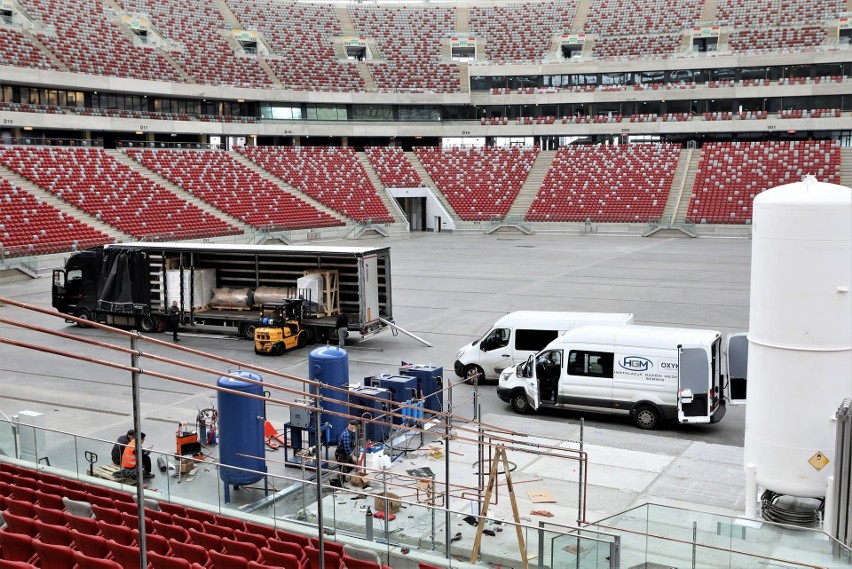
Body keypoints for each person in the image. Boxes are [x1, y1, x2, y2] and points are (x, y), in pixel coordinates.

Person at [334, 419, 359, 485]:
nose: (356, 429)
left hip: (345, 454)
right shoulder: (346, 435)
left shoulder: (350, 432)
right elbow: (347, 448)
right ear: (353, 427)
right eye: (356, 428)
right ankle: (339, 485)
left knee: (351, 465)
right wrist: (353, 456)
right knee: (344, 469)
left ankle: (342, 477)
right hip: (341, 454)